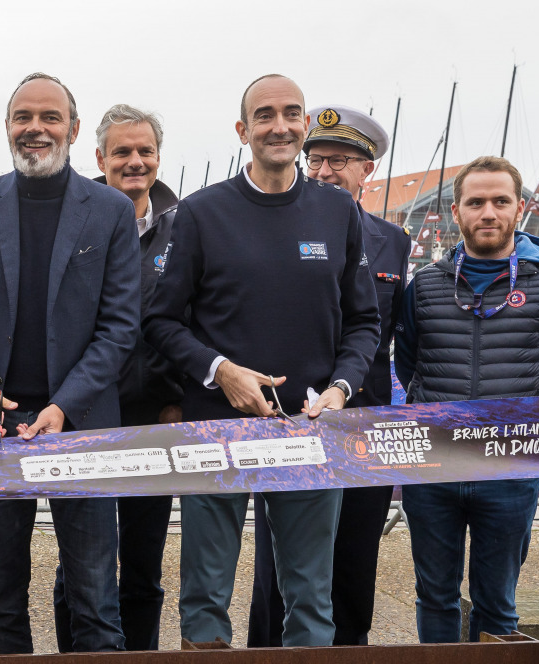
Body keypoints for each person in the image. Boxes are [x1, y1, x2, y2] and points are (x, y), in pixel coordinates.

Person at [143, 74, 380, 647]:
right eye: (265, 115)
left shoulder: (336, 213)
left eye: (291, 113)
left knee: (309, 598)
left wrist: (342, 389)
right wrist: (220, 370)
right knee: (204, 595)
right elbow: (160, 321)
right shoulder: (201, 213)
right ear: (242, 129)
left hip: (310, 427)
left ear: (303, 123)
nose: (280, 125)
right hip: (219, 426)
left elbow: (365, 322)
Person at [0, 72, 139, 655]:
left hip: (81, 423)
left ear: (74, 130)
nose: (35, 128)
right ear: (7, 129)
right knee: (1, 602)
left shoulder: (111, 210)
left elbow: (119, 328)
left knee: (96, 602)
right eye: (23, 117)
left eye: (50, 118)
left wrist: (63, 405)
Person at [394, 155, 539, 643]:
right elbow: (409, 363)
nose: (488, 212)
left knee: (497, 602)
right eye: (475, 202)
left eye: (500, 201)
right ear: (456, 212)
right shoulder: (425, 287)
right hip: (434, 464)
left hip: (511, 466)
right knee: (434, 595)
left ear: (519, 208)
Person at [248, 104, 410, 647]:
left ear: (368, 171)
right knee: (278, 571)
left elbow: (391, 333)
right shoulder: (276, 225)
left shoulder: (395, 241)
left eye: (338, 160)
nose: (322, 171)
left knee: (356, 565)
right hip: (292, 420)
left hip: (363, 424)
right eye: (314, 159)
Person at [54, 104, 181, 652]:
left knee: (145, 566)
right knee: (79, 568)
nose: (134, 162)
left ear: (158, 158)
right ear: (99, 157)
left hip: (155, 419)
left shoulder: (186, 227)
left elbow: (194, 318)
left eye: (144, 151)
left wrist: (177, 400)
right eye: (122, 152)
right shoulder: (68, 218)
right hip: (84, 415)